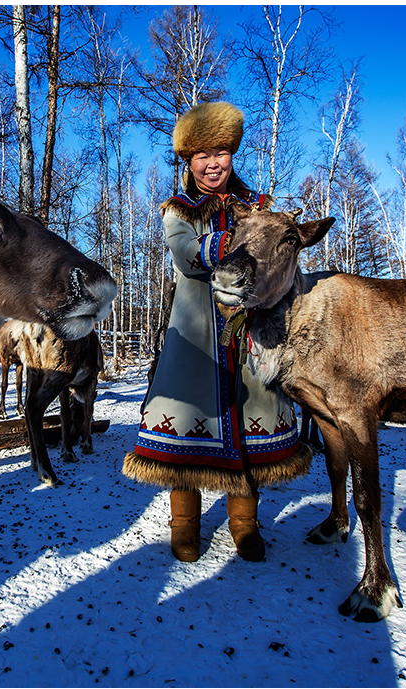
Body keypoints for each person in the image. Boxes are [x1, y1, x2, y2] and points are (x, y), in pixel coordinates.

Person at [123, 102, 312, 563]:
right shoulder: (179, 210)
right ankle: (184, 525)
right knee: (187, 427)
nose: (213, 163)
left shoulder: (261, 206)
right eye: (203, 154)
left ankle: (244, 524)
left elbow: (282, 261)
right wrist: (242, 242)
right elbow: (187, 257)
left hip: (252, 338)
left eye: (222, 152)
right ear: (188, 160)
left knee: (251, 430)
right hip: (196, 339)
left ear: (232, 155)